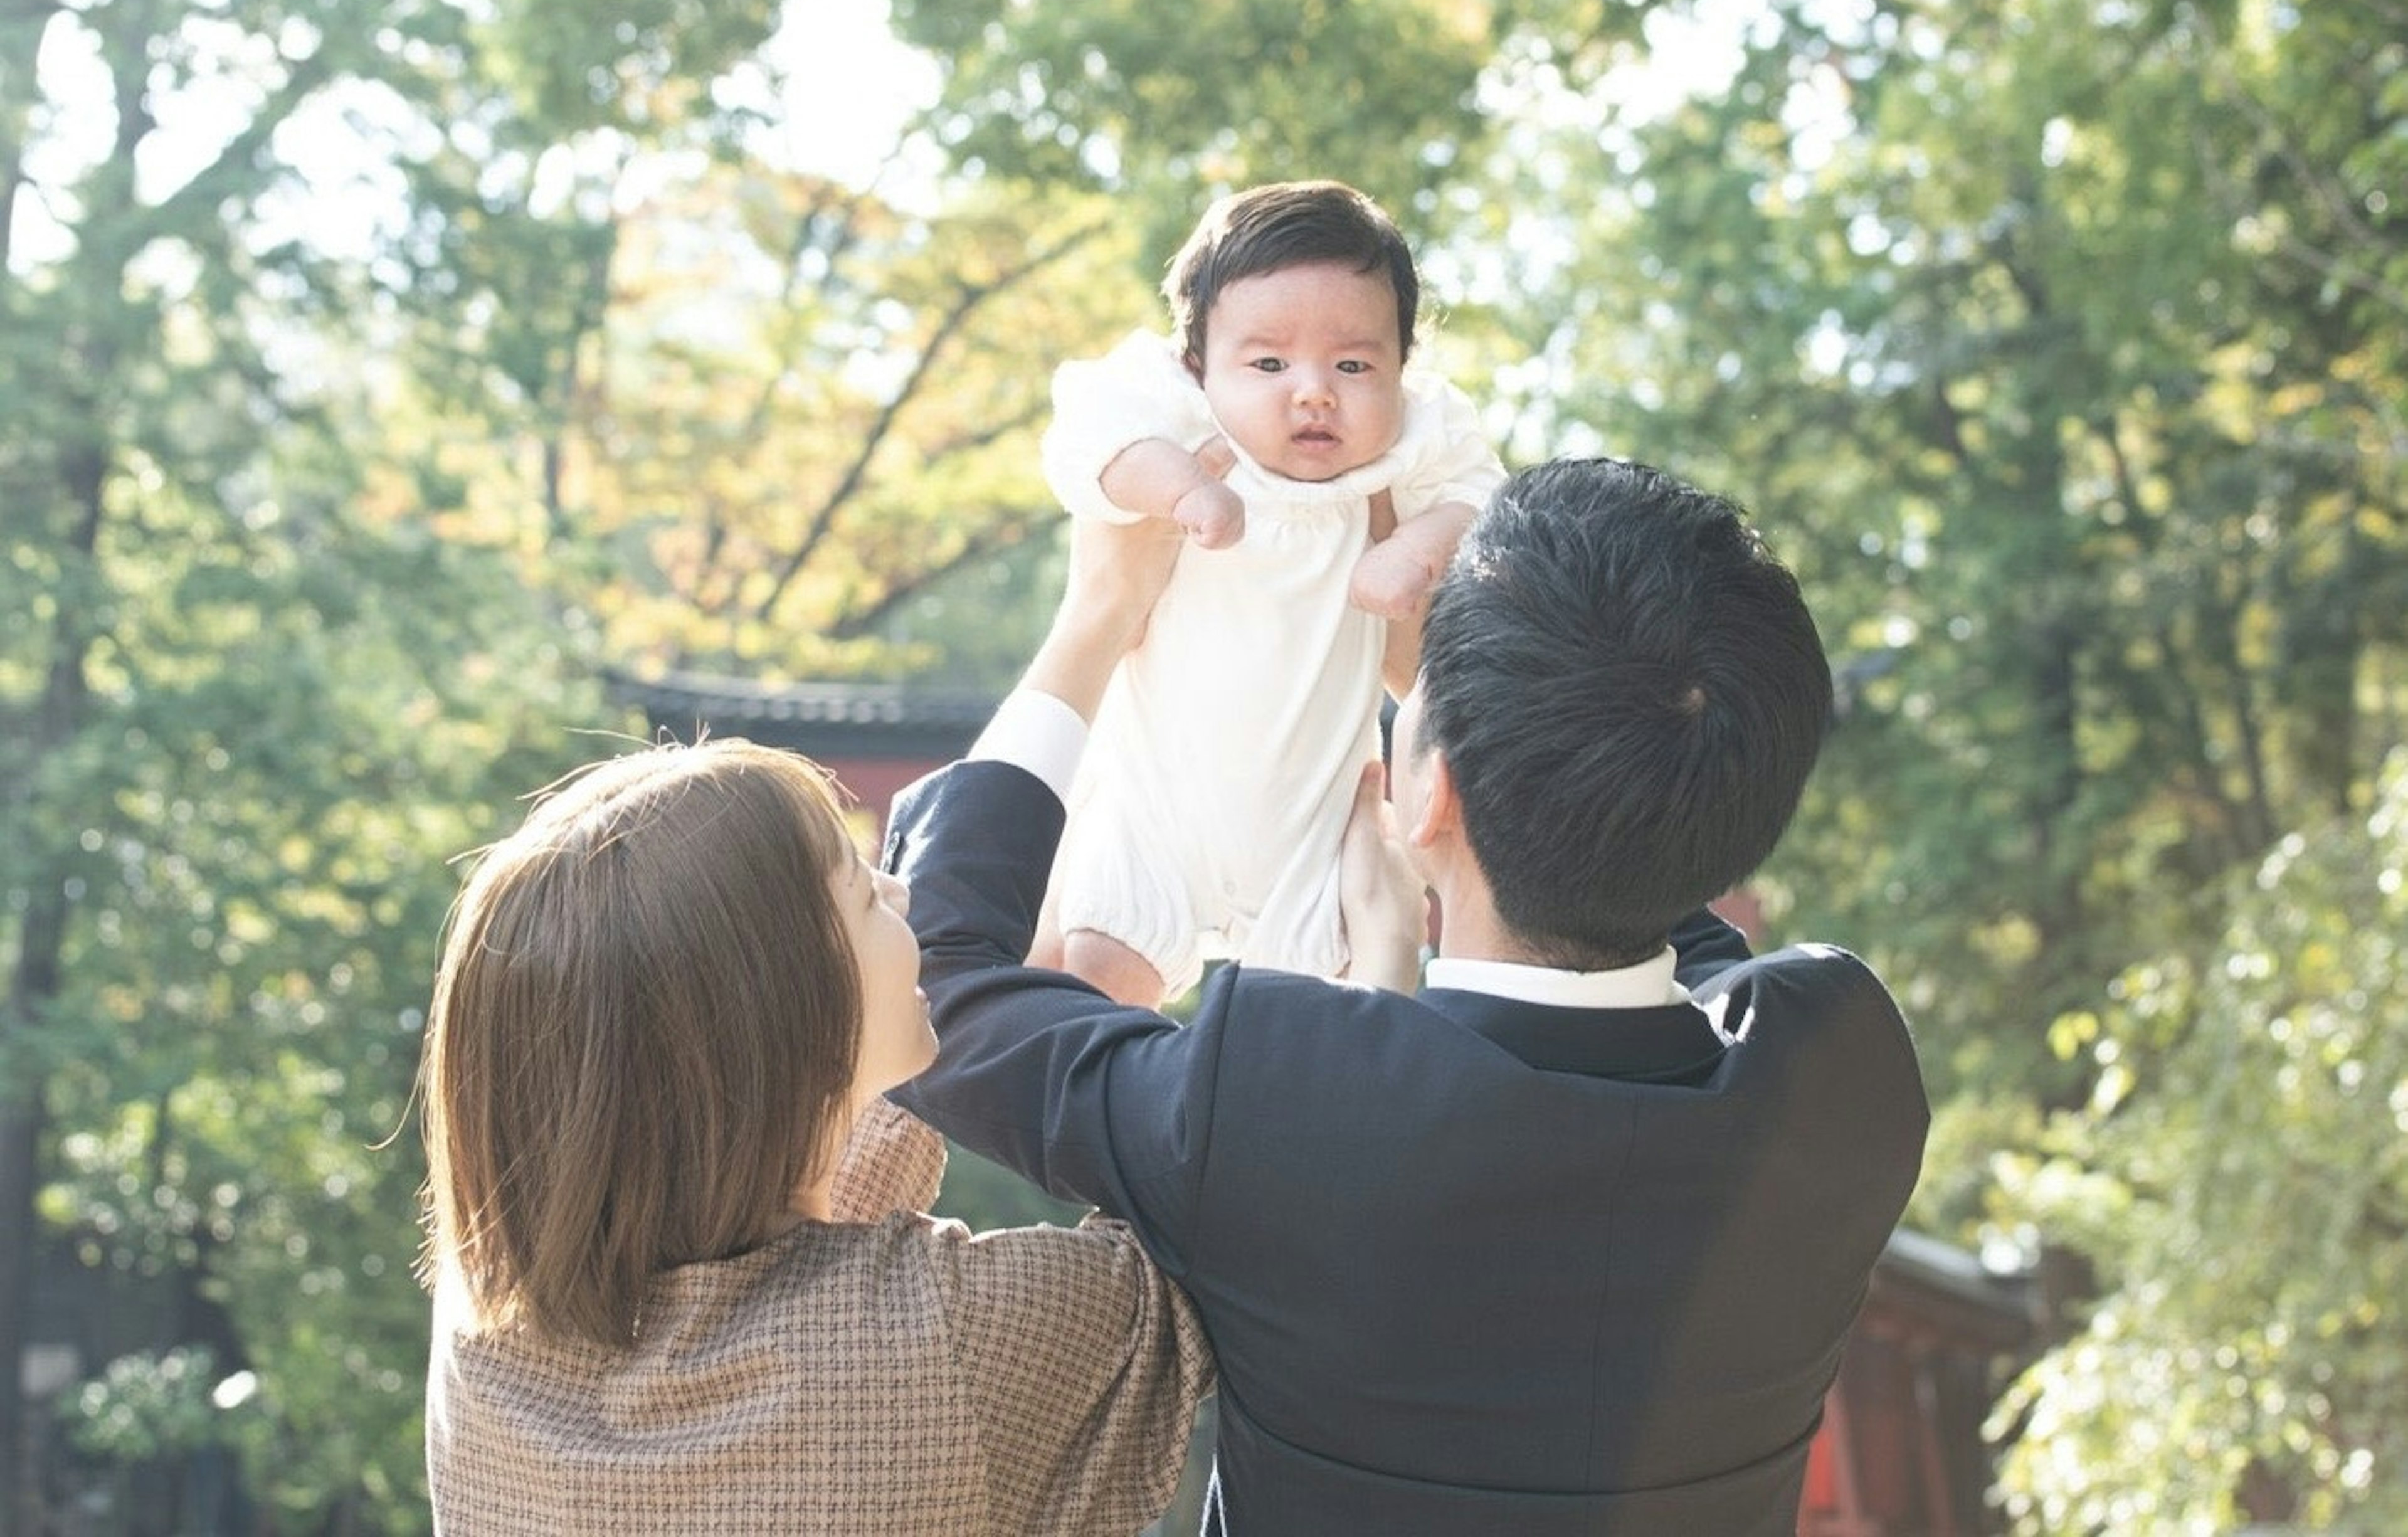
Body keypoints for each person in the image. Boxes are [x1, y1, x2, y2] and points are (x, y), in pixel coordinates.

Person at [889, 458, 1931, 1535]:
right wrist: (1455, 746)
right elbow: (1652, 857)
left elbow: (939, 985)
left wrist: (1096, 613)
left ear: (1431, 791)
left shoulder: (1285, 1102)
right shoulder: (1842, 1079)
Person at [415, 737, 1211, 1537]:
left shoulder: (488, 1337)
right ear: (784, 1017)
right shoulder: (950, 1344)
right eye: (863, 894)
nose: (899, 891)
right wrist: (1087, 1040)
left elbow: (805, 1269)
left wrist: (1092, 626)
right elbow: (1221, 1242)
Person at [1033, 178, 1504, 1007]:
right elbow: (1085, 437)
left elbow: (1483, 497)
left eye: (1355, 364)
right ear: (1197, 364)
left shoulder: (1408, 451)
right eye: (1269, 363)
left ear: (1403, 370)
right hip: (1156, 815)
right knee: (1098, 975)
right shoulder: (1180, 420)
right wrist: (1180, 488)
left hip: (1314, 839)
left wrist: (1417, 551)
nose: (1314, 389)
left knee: (1300, 1027)